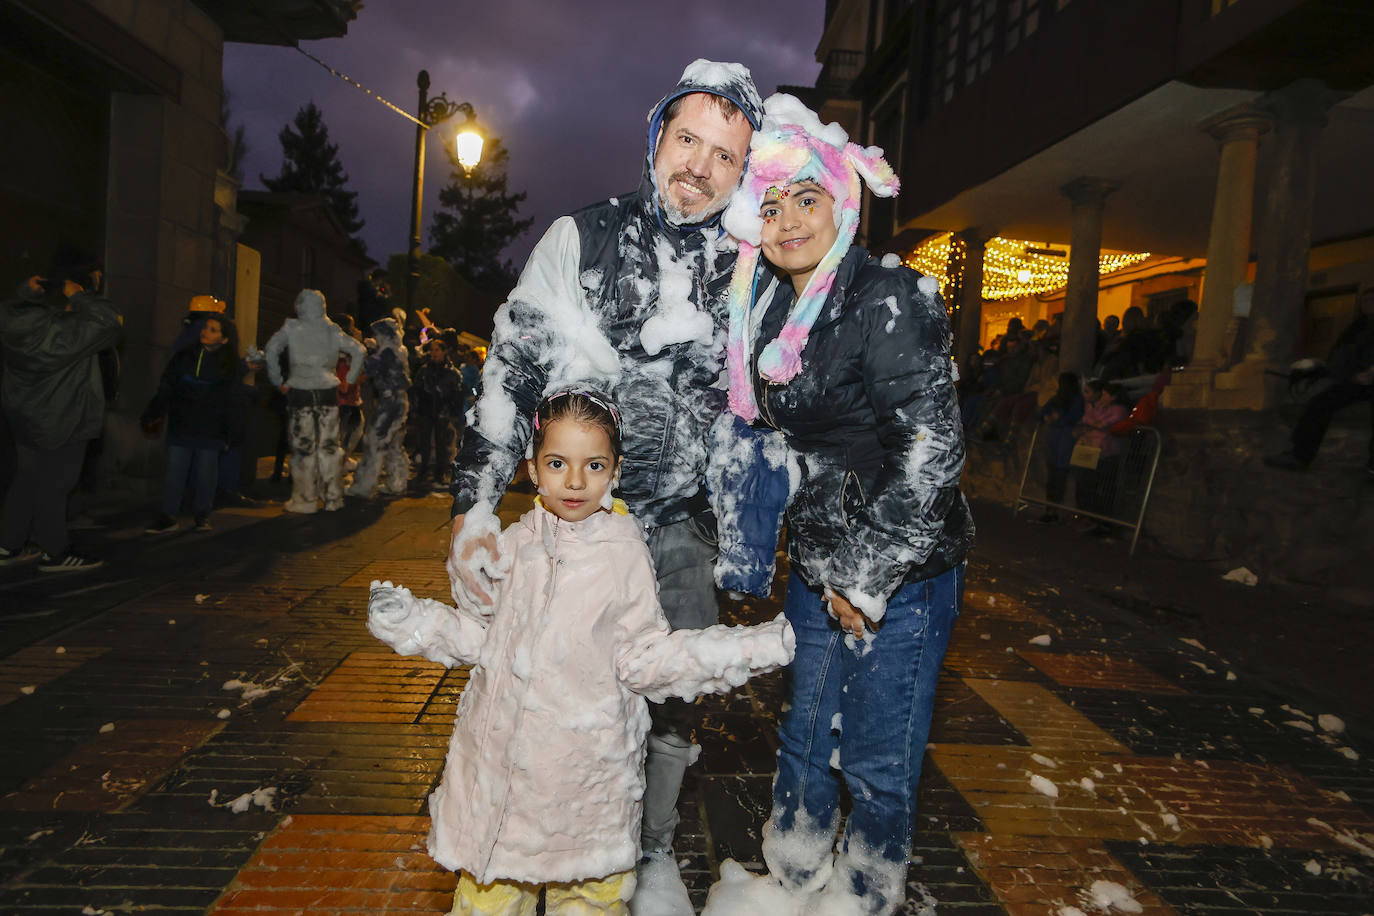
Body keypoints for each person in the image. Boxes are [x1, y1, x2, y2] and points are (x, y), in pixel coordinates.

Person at [444, 59, 763, 912]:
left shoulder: (755, 270)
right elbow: (509, 372)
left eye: (724, 154)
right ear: (657, 139)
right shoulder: (579, 239)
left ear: (744, 170)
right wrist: (476, 504)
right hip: (574, 526)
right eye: (687, 139)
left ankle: (647, 849)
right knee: (547, 686)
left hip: (685, 528)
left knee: (669, 697)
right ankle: (532, 846)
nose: (698, 165)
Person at [368, 391, 793, 916]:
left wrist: (748, 647)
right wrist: (414, 621)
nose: (574, 481)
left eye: (593, 464)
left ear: (615, 470)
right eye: (557, 463)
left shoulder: (622, 553)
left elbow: (644, 658)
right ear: (532, 469)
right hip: (506, 792)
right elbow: (485, 639)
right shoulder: (514, 544)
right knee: (489, 904)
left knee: (589, 903)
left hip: (587, 788)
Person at [702, 94, 973, 916]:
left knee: (878, 762)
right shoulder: (773, 305)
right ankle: (787, 884)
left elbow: (932, 452)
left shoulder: (890, 297)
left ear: (842, 201)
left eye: (806, 200)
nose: (788, 222)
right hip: (819, 558)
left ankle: (864, 896)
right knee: (801, 740)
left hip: (904, 570)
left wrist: (865, 577)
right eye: (772, 205)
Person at [0, 248, 121, 572]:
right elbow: (109, 321)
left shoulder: (15, 321)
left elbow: (11, 309)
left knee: (26, 480)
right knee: (56, 485)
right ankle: (55, 552)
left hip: (25, 417)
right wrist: (82, 297)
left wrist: (25, 293)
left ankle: (8, 544)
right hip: (63, 418)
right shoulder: (69, 331)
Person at [263, 289, 366, 513]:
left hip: (300, 391)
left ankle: (306, 499)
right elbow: (359, 350)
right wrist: (348, 379)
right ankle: (332, 497)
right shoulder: (332, 330)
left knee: (304, 447)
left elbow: (270, 351)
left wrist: (278, 380)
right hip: (328, 391)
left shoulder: (291, 328)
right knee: (329, 446)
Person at [142, 315, 244, 534]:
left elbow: (232, 400)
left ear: (225, 339)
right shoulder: (184, 356)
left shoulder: (229, 365)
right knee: (175, 471)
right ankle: (168, 516)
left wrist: (230, 432)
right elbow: (167, 385)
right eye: (206, 327)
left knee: (206, 473)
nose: (206, 332)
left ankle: (202, 514)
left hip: (211, 428)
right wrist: (155, 411)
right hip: (183, 422)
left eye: (214, 330)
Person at [1265, 287, 1374, 478]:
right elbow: (1343, 351)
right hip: (1354, 379)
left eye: (1371, 300)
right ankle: (1299, 455)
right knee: (1319, 404)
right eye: (1365, 301)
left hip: (1367, 380)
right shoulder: (1359, 326)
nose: (1367, 304)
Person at [346, 317, 411, 498]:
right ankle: (396, 482)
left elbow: (367, 368)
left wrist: (362, 351)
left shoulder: (387, 353)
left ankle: (365, 486)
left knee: (375, 442)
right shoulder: (400, 350)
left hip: (389, 404)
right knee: (394, 445)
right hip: (400, 402)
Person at [1072, 378, 1130, 535]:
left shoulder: (1119, 410)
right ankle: (1087, 518)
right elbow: (1087, 420)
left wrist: (1092, 423)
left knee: (1103, 487)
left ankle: (1102, 522)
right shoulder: (1099, 407)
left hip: (1106, 453)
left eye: (1105, 394)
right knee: (1085, 484)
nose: (1102, 397)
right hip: (1091, 451)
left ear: (1114, 397)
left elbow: (1101, 423)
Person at [410, 336, 466, 490]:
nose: (433, 353)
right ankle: (423, 472)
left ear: (444, 352)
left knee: (442, 444)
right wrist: (415, 409)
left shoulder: (452, 372)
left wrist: (454, 413)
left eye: (437, 350)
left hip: (443, 413)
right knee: (424, 443)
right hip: (426, 412)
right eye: (431, 350)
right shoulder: (424, 370)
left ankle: (440, 474)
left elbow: (457, 394)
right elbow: (416, 391)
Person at [1032, 371, 1084, 524]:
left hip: (1065, 441)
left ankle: (1054, 509)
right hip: (1054, 441)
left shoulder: (1076, 400)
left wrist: (1057, 418)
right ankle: (1050, 509)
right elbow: (1042, 413)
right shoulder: (1057, 398)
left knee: (1060, 476)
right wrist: (1048, 417)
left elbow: (1071, 419)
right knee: (1052, 476)